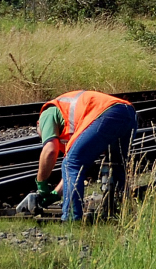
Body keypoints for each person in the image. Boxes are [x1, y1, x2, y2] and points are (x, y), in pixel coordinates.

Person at [31, 89, 137, 221]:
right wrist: (56, 194)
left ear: (38, 125)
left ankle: (71, 219)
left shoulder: (47, 113)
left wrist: (41, 185)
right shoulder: (73, 122)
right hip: (128, 113)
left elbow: (50, 150)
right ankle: (124, 213)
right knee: (116, 166)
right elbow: (77, 170)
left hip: (106, 113)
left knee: (71, 163)